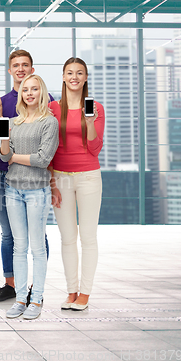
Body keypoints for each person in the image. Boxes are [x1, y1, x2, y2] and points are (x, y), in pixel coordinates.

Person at [0, 49, 54, 303]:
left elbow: (48, 147)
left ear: (32, 69)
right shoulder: (3, 101)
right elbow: (1, 140)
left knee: (38, 237)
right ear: (10, 70)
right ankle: (12, 284)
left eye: (25, 65)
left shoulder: (47, 100)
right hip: (6, 177)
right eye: (15, 65)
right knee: (9, 235)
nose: (20, 69)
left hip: (36, 178)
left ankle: (35, 287)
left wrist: (53, 177)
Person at [0, 74, 59, 319]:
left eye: (35, 89)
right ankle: (21, 299)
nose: (30, 93)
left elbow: (43, 159)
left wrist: (14, 156)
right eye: (26, 90)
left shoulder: (49, 122)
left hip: (36, 190)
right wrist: (4, 141)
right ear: (21, 94)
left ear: (41, 92)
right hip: (12, 189)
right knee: (19, 247)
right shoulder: (13, 122)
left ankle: (36, 300)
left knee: (37, 247)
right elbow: (4, 157)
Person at [48, 57, 105, 311]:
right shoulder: (52, 108)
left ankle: (85, 292)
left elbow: (95, 148)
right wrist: (52, 181)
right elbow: (48, 147)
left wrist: (89, 123)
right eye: (69, 73)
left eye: (79, 73)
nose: (74, 77)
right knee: (67, 238)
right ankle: (71, 291)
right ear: (63, 76)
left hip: (88, 176)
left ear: (85, 78)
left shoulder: (97, 108)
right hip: (59, 176)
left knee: (88, 237)